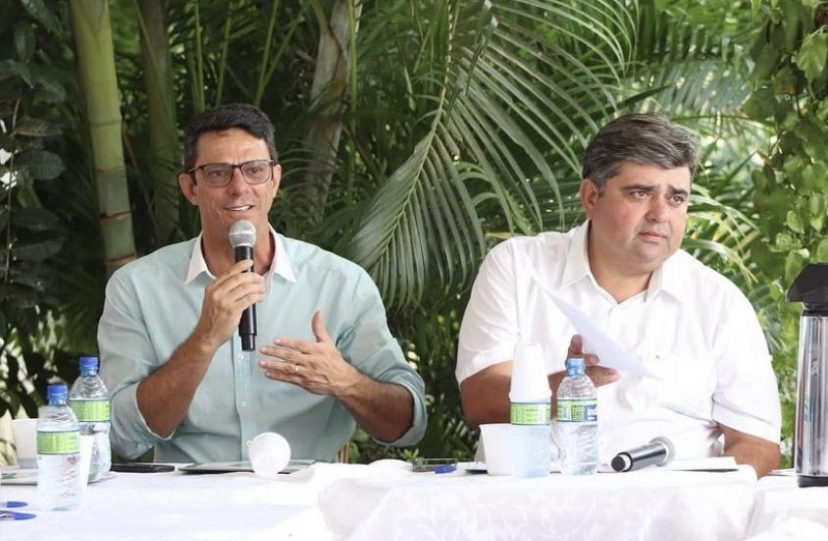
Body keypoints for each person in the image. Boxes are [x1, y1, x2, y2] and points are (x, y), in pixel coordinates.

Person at [456, 113, 781, 476]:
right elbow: (480, 401)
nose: (660, 214)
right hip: (532, 501)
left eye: (676, 198)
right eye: (640, 193)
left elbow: (758, 444)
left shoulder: (718, 302)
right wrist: (567, 386)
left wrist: (698, 498)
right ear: (590, 197)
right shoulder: (519, 268)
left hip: (671, 505)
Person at [98, 103, 426, 463]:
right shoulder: (136, 287)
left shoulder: (341, 284)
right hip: (193, 495)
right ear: (191, 187)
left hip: (306, 494)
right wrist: (203, 340)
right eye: (218, 173)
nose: (239, 188)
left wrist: (345, 381)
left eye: (254, 170)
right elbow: (120, 436)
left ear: (274, 180)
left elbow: (407, 425)